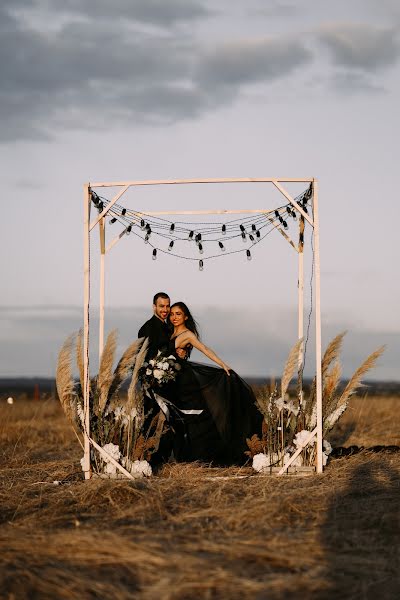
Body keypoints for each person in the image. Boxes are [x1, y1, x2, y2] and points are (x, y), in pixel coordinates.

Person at [162, 301, 262, 465]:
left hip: (185, 379)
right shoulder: (168, 332)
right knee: (176, 418)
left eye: (178, 314)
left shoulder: (187, 335)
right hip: (171, 379)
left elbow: (205, 349)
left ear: (185, 316)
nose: (174, 317)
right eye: (172, 314)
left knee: (192, 417)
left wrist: (222, 364)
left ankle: (203, 455)